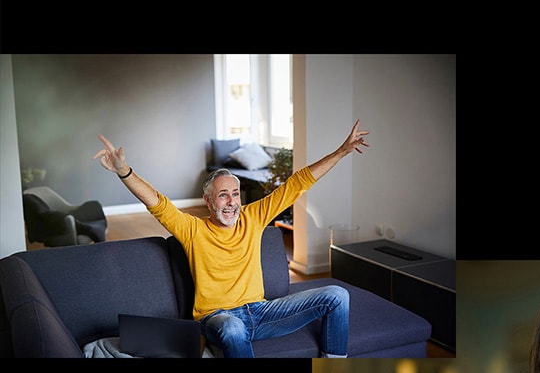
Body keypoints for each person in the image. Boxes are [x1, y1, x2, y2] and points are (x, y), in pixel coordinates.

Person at [92, 121, 370, 358]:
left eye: (235, 194)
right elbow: (157, 203)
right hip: (218, 320)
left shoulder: (255, 216)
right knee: (233, 328)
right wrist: (124, 171)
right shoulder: (193, 230)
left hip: (262, 314)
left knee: (337, 295)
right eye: (222, 195)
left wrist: (342, 152)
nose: (231, 202)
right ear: (208, 201)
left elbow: (298, 183)